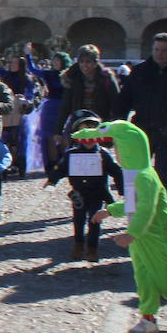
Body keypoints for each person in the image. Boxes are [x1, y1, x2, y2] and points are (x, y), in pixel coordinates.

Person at [84, 119, 167, 333]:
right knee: (143, 278)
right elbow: (132, 203)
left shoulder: (145, 177)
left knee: (164, 280)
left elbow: (145, 208)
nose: (116, 152)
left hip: (156, 236)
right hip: (138, 238)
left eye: (118, 147)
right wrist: (110, 211)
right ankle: (148, 319)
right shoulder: (131, 175)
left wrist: (131, 234)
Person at [45, 109, 124, 262]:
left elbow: (116, 171)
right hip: (79, 194)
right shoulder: (71, 154)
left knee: (95, 219)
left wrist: (122, 189)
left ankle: (92, 247)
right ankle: (79, 244)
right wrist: (52, 181)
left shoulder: (103, 154)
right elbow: (61, 168)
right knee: (78, 219)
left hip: (98, 193)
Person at [114, 33, 167, 190]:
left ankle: (158, 211)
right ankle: (137, 211)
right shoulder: (140, 72)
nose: (159, 54)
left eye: (164, 50)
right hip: (141, 129)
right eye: (156, 49)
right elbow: (124, 100)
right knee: (135, 174)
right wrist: (119, 128)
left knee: (162, 176)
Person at [54, 45, 119, 141]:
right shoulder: (72, 77)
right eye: (81, 61)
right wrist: (58, 131)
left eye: (88, 61)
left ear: (96, 63)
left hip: (101, 125)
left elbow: (117, 104)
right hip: (79, 125)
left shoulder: (106, 78)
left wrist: (118, 128)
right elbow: (65, 106)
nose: (84, 65)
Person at [26, 51, 70, 168]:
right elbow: (32, 69)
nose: (55, 63)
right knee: (49, 136)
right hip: (50, 107)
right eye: (54, 60)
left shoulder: (69, 75)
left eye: (58, 60)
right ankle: (52, 163)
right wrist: (28, 55)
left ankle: (65, 160)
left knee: (64, 135)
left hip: (64, 107)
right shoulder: (49, 74)